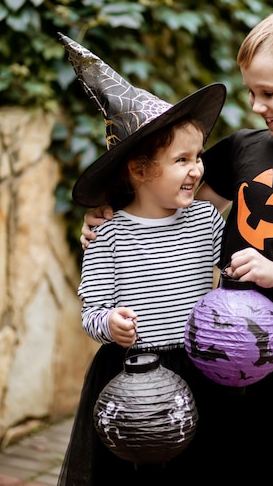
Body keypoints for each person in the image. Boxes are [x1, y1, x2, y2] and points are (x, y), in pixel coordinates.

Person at [81, 3, 273, 485]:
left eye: (269, 93)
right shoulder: (245, 148)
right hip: (231, 358)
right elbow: (171, 196)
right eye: (250, 93)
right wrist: (113, 212)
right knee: (241, 471)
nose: (257, 106)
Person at [56, 33, 229, 485]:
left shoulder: (205, 220)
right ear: (138, 170)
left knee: (193, 471)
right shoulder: (109, 235)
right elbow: (91, 312)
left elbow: (232, 270)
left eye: (198, 157)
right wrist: (111, 324)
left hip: (197, 369)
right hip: (130, 377)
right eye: (182, 159)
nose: (197, 169)